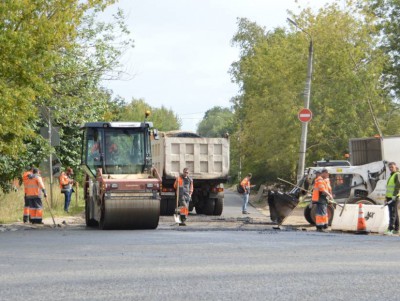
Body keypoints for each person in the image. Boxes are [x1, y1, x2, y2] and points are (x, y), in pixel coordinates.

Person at [384, 162, 400, 235]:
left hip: (394, 197)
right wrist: (386, 197)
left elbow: (397, 186)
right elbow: (389, 188)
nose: (390, 169)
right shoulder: (392, 175)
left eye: (392, 167)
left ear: (395, 166)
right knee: (395, 213)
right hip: (389, 197)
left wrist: (394, 195)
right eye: (389, 167)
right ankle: (396, 229)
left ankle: (390, 229)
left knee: (392, 213)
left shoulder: (397, 175)